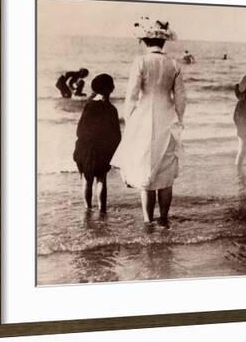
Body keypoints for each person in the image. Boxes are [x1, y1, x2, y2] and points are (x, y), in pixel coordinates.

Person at [111, 17, 186, 226]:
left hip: (144, 118)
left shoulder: (140, 62)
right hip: (167, 118)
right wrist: (179, 119)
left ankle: (147, 220)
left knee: (146, 168)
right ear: (164, 42)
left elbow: (132, 95)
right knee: (165, 172)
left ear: (144, 41)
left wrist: (129, 120)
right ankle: (163, 219)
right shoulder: (173, 63)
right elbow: (181, 98)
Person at [73, 74, 121, 212]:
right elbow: (116, 135)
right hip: (103, 149)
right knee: (101, 179)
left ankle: (88, 209)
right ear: (111, 89)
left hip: (85, 147)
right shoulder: (112, 109)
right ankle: (102, 210)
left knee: (86, 179)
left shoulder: (89, 106)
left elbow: (80, 130)